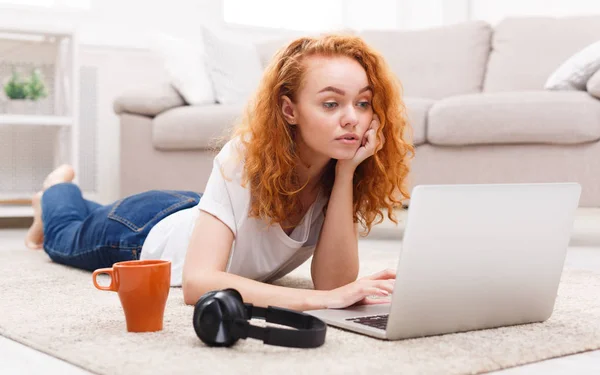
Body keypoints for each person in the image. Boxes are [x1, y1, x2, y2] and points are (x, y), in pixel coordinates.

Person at [25, 33, 414, 311]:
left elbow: (335, 284)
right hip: (140, 233)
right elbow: (197, 284)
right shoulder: (246, 156)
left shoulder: (339, 167)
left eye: (363, 103)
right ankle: (52, 193)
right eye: (331, 104)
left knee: (90, 215)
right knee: (64, 234)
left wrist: (346, 175)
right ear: (289, 110)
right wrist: (313, 300)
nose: (352, 119)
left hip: (196, 214)